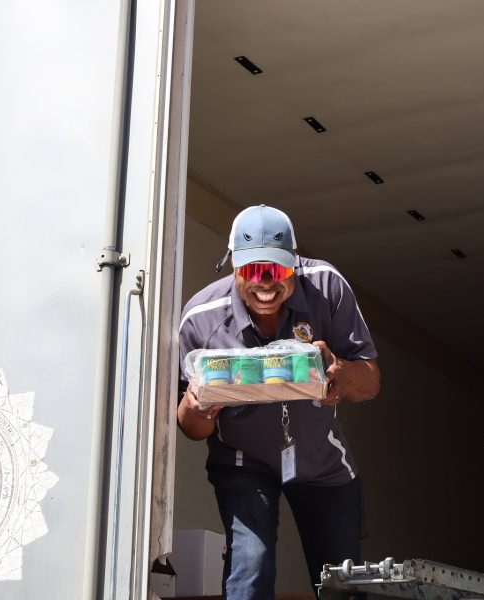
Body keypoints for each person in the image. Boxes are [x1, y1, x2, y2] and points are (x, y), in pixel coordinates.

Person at [177, 204, 380, 599]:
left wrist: (338, 372)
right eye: (253, 271)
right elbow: (189, 426)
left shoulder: (327, 286)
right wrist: (201, 405)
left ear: (295, 262)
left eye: (278, 270)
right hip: (242, 458)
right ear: (233, 265)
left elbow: (371, 380)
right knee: (250, 569)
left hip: (321, 458)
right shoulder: (200, 319)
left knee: (343, 583)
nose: (266, 283)